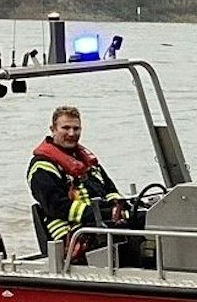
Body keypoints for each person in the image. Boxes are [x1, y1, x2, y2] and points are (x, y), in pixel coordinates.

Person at [28, 106, 141, 265]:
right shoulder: (42, 167)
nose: (72, 133)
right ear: (53, 129)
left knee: (146, 217)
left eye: (76, 128)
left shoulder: (86, 161)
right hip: (72, 234)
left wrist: (119, 207)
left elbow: (110, 190)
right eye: (65, 128)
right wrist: (100, 214)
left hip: (98, 223)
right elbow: (57, 206)